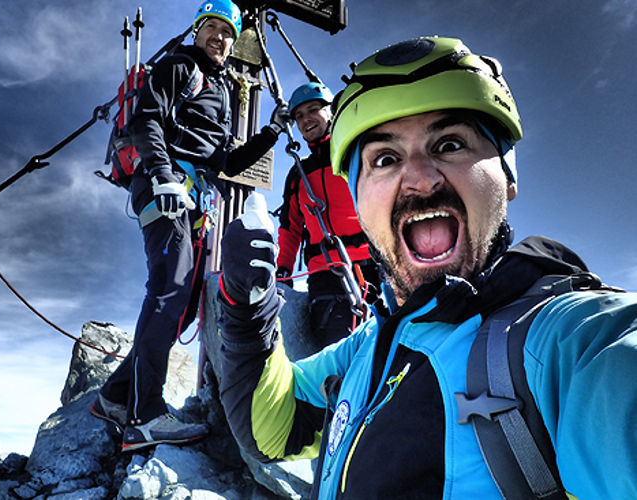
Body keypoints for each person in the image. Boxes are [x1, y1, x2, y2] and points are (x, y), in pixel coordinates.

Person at [216, 36, 637, 498]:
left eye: (451, 144)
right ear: (358, 198)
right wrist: (245, 305)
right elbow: (274, 430)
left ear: (508, 177)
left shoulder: (562, 343)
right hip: (330, 284)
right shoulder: (366, 348)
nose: (419, 179)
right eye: (386, 159)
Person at [89, 0, 290, 452]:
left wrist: (271, 133)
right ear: (197, 30)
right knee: (169, 289)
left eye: (227, 32)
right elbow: (146, 120)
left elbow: (225, 162)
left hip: (193, 195)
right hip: (167, 187)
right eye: (212, 28)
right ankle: (144, 418)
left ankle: (116, 397)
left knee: (178, 301)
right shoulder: (180, 67)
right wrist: (161, 175)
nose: (219, 38)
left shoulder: (216, 90)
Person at [275, 82, 381, 348]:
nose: (305, 120)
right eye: (299, 116)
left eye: (313, 110)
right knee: (335, 350)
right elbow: (290, 228)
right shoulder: (299, 174)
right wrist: (283, 272)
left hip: (372, 266)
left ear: (331, 112)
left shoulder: (355, 155)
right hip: (325, 276)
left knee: (384, 347)